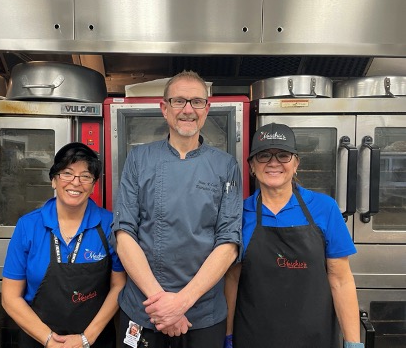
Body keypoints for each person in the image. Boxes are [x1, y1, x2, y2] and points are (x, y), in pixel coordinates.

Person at [110, 70, 243, 348]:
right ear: (164, 108)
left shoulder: (225, 166)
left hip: (202, 314)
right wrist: (163, 306)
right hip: (144, 309)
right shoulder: (138, 159)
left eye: (196, 102)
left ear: (206, 109)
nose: (188, 110)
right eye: (179, 101)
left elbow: (229, 243)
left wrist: (181, 303)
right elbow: (124, 235)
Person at [225, 123, 364, 348]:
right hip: (254, 336)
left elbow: (341, 280)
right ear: (251, 165)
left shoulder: (324, 208)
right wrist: (228, 335)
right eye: (263, 156)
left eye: (283, 155)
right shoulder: (239, 213)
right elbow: (232, 279)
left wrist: (353, 342)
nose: (273, 163)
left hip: (314, 337)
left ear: (296, 163)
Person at [1, 142, 126, 348]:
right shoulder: (29, 226)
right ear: (53, 180)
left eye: (85, 176)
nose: (76, 183)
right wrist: (49, 340)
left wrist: (86, 338)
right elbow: (10, 297)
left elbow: (118, 285)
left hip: (95, 341)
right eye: (67, 173)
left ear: (93, 185)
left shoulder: (109, 225)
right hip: (38, 340)